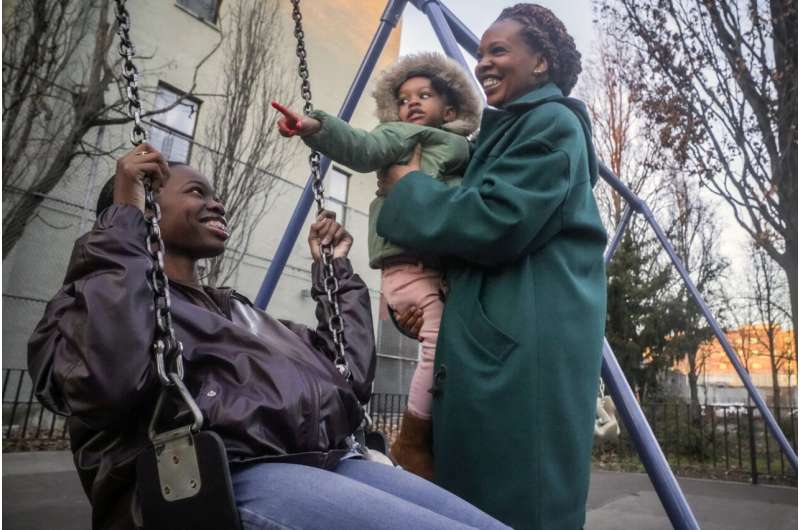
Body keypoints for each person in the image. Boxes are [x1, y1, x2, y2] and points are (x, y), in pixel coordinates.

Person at [26, 144, 512, 530]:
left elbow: (344, 377)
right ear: (145, 203)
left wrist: (334, 270)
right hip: (220, 480)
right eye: (196, 192)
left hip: (328, 460)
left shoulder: (238, 310)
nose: (216, 202)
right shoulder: (94, 297)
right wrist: (123, 221)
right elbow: (106, 381)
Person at [375, 4, 608, 530]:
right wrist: (434, 309)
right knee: (471, 503)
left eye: (498, 50)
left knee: (517, 502)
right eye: (480, 53)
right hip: (496, 348)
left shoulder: (550, 124)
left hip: (520, 360)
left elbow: (496, 221)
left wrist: (408, 188)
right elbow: (473, 245)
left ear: (542, 63)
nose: (483, 63)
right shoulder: (504, 135)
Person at [272, 51, 482, 481]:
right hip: (408, 265)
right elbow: (363, 148)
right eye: (404, 99)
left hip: (437, 269)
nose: (413, 104)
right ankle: (414, 432)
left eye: (424, 95)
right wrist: (317, 128)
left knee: (452, 350)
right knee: (439, 346)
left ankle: (439, 432)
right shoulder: (401, 135)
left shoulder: (465, 150)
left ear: (452, 109)